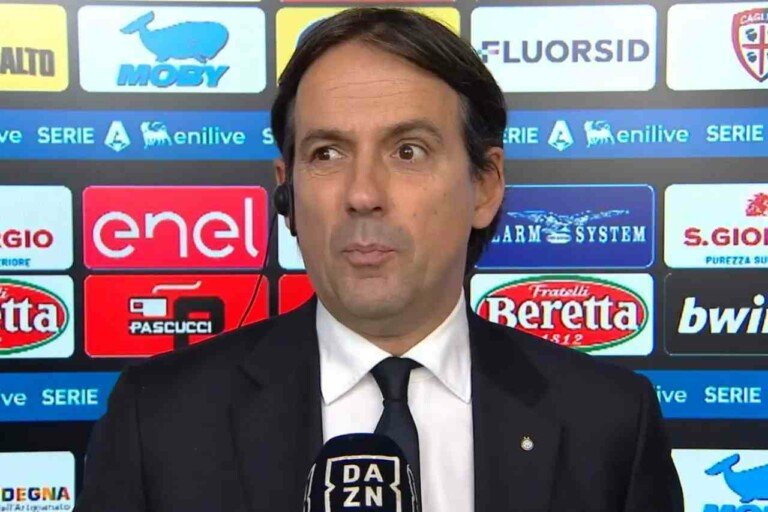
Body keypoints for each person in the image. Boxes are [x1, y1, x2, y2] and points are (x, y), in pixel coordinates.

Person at [75, 8, 683, 512]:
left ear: (485, 185)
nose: (363, 193)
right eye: (328, 153)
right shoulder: (157, 420)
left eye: (408, 150)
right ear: (288, 192)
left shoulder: (610, 422)